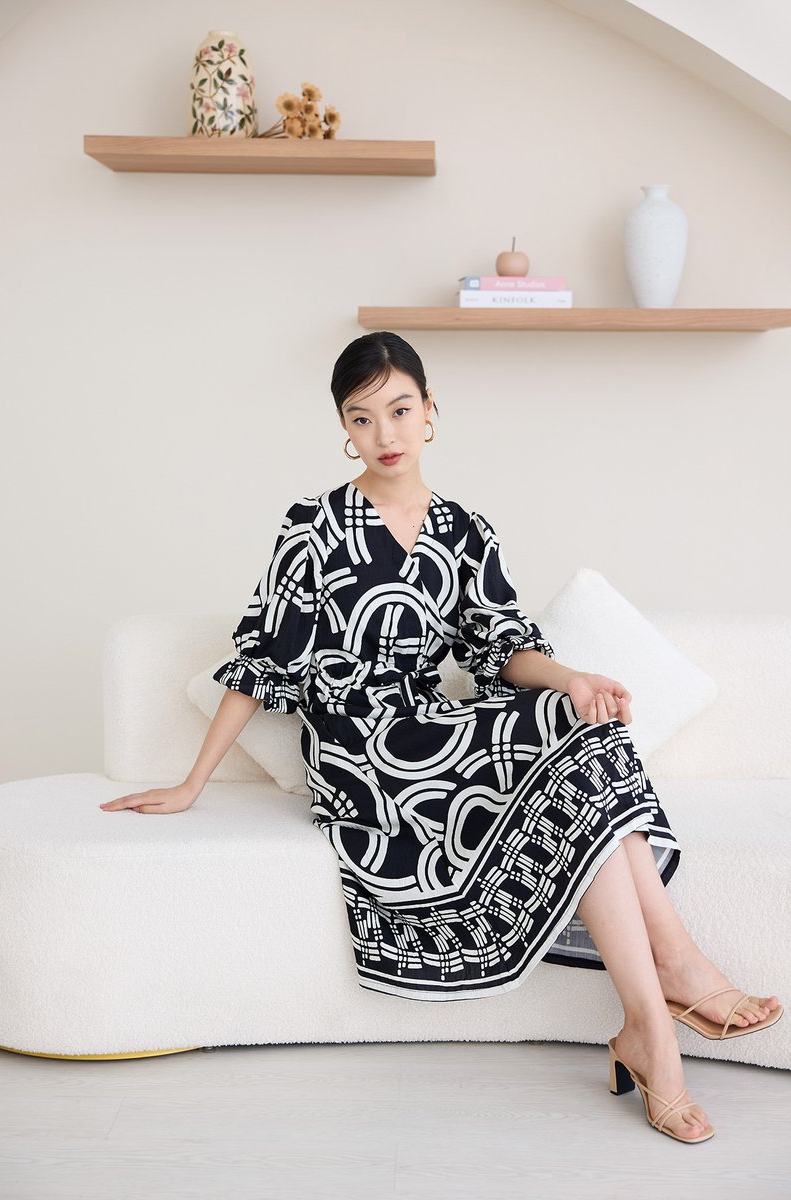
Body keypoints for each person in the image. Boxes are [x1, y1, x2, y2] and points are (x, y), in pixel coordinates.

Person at [100, 331, 782, 1143]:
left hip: (435, 727)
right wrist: (191, 783)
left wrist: (571, 678)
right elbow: (262, 660)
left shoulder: (466, 531)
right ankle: (673, 982)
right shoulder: (311, 528)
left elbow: (503, 649)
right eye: (362, 419)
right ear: (344, 429)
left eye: (399, 410)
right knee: (573, 750)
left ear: (429, 412)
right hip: (361, 755)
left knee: (583, 724)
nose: (384, 434)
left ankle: (651, 1022)